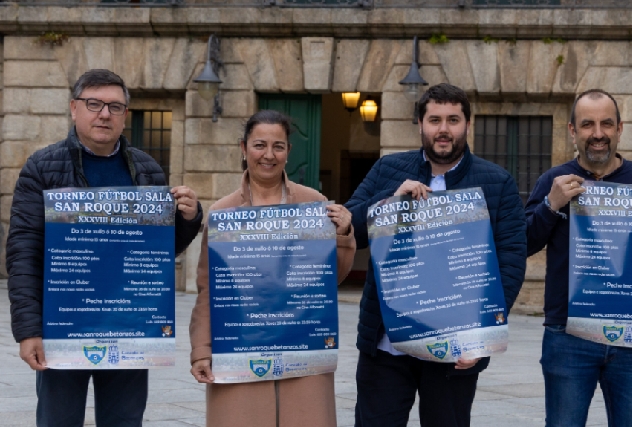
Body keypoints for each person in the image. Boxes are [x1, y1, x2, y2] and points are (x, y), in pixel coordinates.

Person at [6, 69, 203, 427]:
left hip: (129, 325)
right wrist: (28, 329)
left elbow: (155, 255)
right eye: (94, 104)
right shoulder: (42, 167)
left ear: (125, 114)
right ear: (74, 108)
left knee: (124, 421)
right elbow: (23, 252)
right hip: (62, 326)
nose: (104, 114)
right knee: (58, 421)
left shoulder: (147, 170)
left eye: (115, 106)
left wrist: (189, 218)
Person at [345, 83, 526, 427]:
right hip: (387, 343)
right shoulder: (388, 169)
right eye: (435, 120)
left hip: (455, 343)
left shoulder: (498, 183)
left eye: (453, 120)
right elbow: (352, 226)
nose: (443, 130)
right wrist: (390, 201)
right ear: (421, 124)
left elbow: (511, 261)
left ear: (467, 125)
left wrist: (482, 335)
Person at [189, 109, 356, 427]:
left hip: (302, 347)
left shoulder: (313, 204)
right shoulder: (224, 212)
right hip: (240, 345)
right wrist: (201, 349)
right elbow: (208, 288)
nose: (268, 155)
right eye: (259, 145)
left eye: (278, 146)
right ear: (244, 148)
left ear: (289, 152)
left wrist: (343, 234)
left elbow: (330, 279)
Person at [526, 89, 632, 427]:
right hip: (567, 334)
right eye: (588, 125)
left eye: (606, 124)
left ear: (619, 128)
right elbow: (523, 242)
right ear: (573, 130)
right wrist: (550, 205)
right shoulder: (553, 181)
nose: (597, 134)